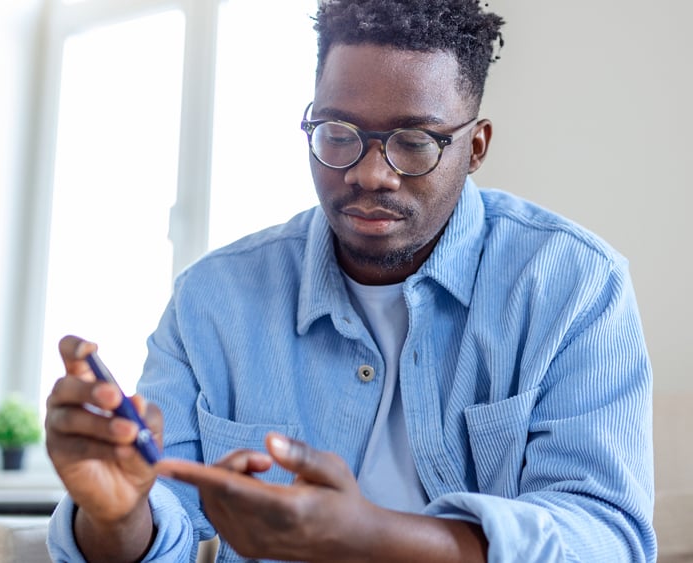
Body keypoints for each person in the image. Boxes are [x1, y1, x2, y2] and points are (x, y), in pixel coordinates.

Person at [44, 0, 656, 560]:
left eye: (415, 143)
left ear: (476, 147)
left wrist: (369, 536)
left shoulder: (573, 284)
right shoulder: (212, 300)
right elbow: (163, 522)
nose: (371, 174)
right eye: (339, 135)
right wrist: (118, 513)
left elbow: (607, 536)